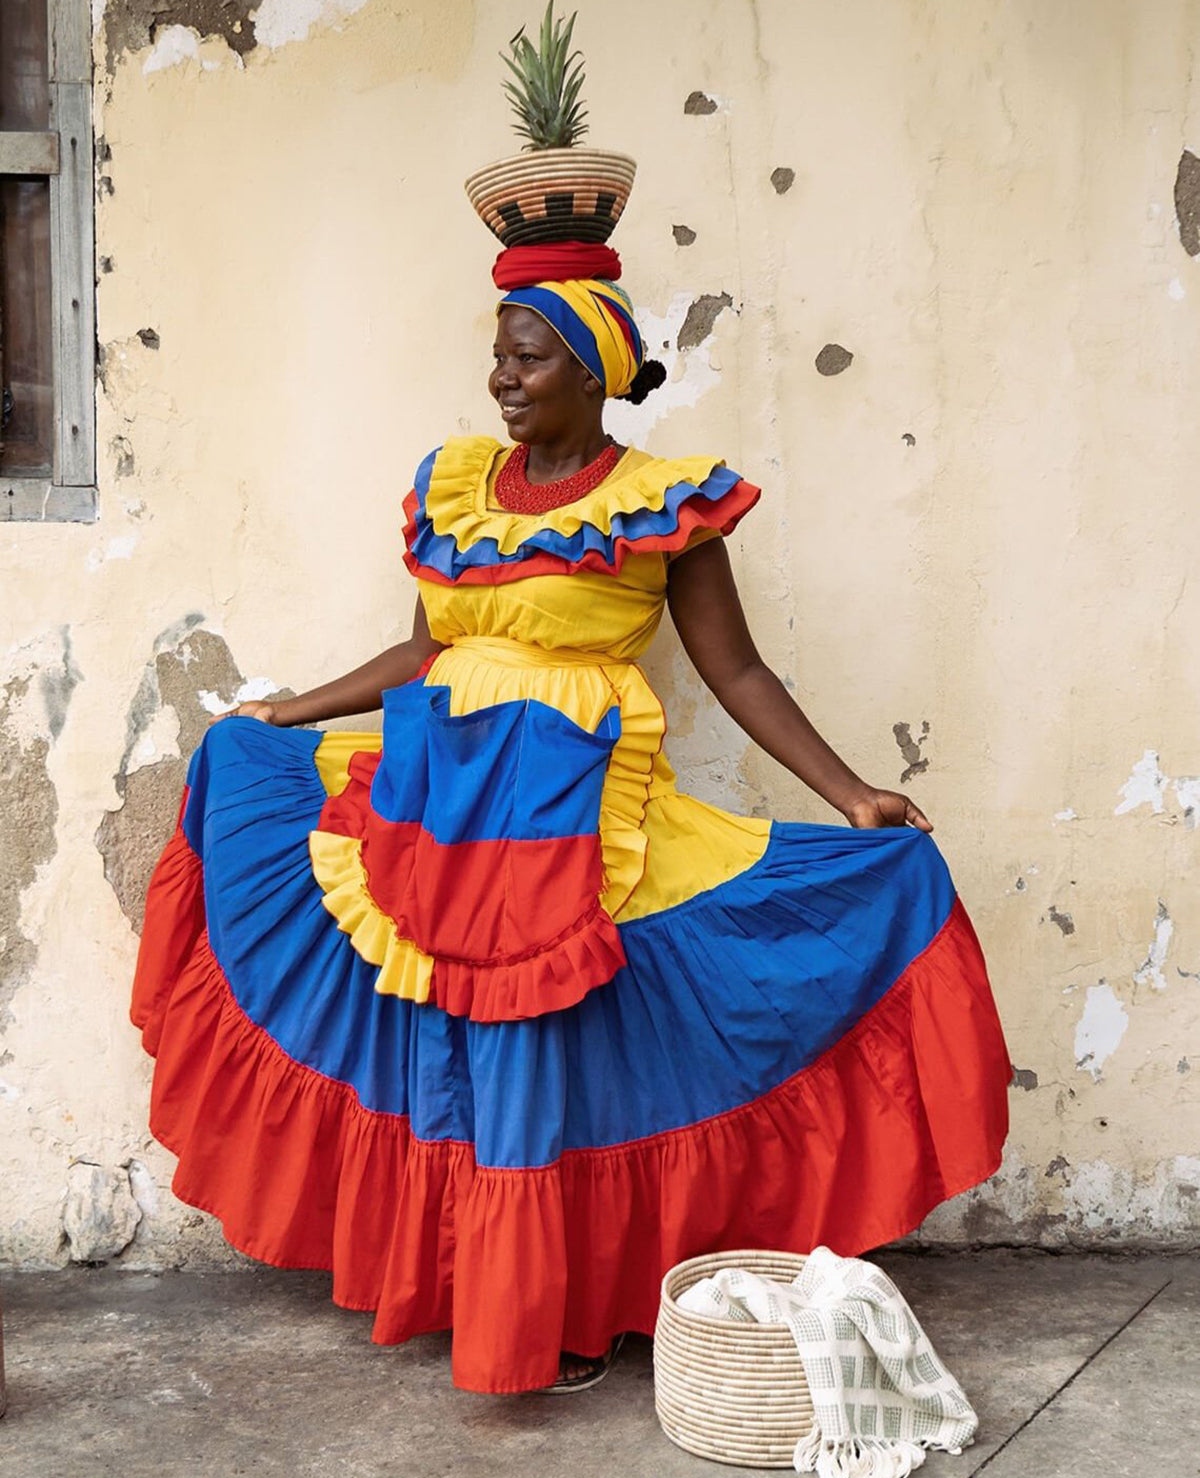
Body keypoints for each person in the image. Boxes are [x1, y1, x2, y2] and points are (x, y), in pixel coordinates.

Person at [131, 247, 1010, 1396]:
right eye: (497, 355)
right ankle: (466, 1279)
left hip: (567, 804)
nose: (502, 377)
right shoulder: (459, 489)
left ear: (591, 376)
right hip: (433, 789)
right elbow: (427, 647)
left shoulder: (662, 504)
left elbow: (736, 672)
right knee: (443, 1028)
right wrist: (287, 710)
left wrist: (850, 795)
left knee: (559, 1044)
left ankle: (562, 1304)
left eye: (528, 357)